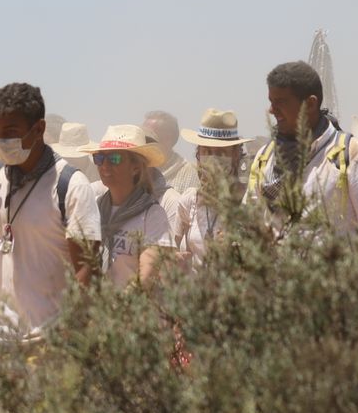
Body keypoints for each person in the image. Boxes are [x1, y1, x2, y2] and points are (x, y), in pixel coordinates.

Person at [0, 83, 102, 388]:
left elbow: (87, 269)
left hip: (43, 339)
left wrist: (66, 337)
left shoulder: (70, 185)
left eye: (12, 131)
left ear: (38, 128)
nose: (2, 140)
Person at [246, 61, 358, 235]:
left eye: (280, 102)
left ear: (310, 104)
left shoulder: (353, 157)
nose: (272, 110)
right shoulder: (265, 158)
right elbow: (248, 227)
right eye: (271, 102)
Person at [85, 126, 174, 287]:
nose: (104, 165)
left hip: (130, 308)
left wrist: (116, 307)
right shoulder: (93, 209)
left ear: (135, 167)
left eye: (114, 159)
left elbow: (147, 276)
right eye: (99, 158)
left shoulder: (152, 215)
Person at [177, 109, 253, 263]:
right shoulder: (189, 201)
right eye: (207, 151)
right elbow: (170, 250)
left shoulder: (249, 203)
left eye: (221, 152)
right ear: (198, 154)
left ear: (236, 155)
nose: (213, 158)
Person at [144, 110, 198, 196]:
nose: (143, 142)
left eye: (148, 137)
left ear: (168, 139)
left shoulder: (189, 173)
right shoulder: (137, 170)